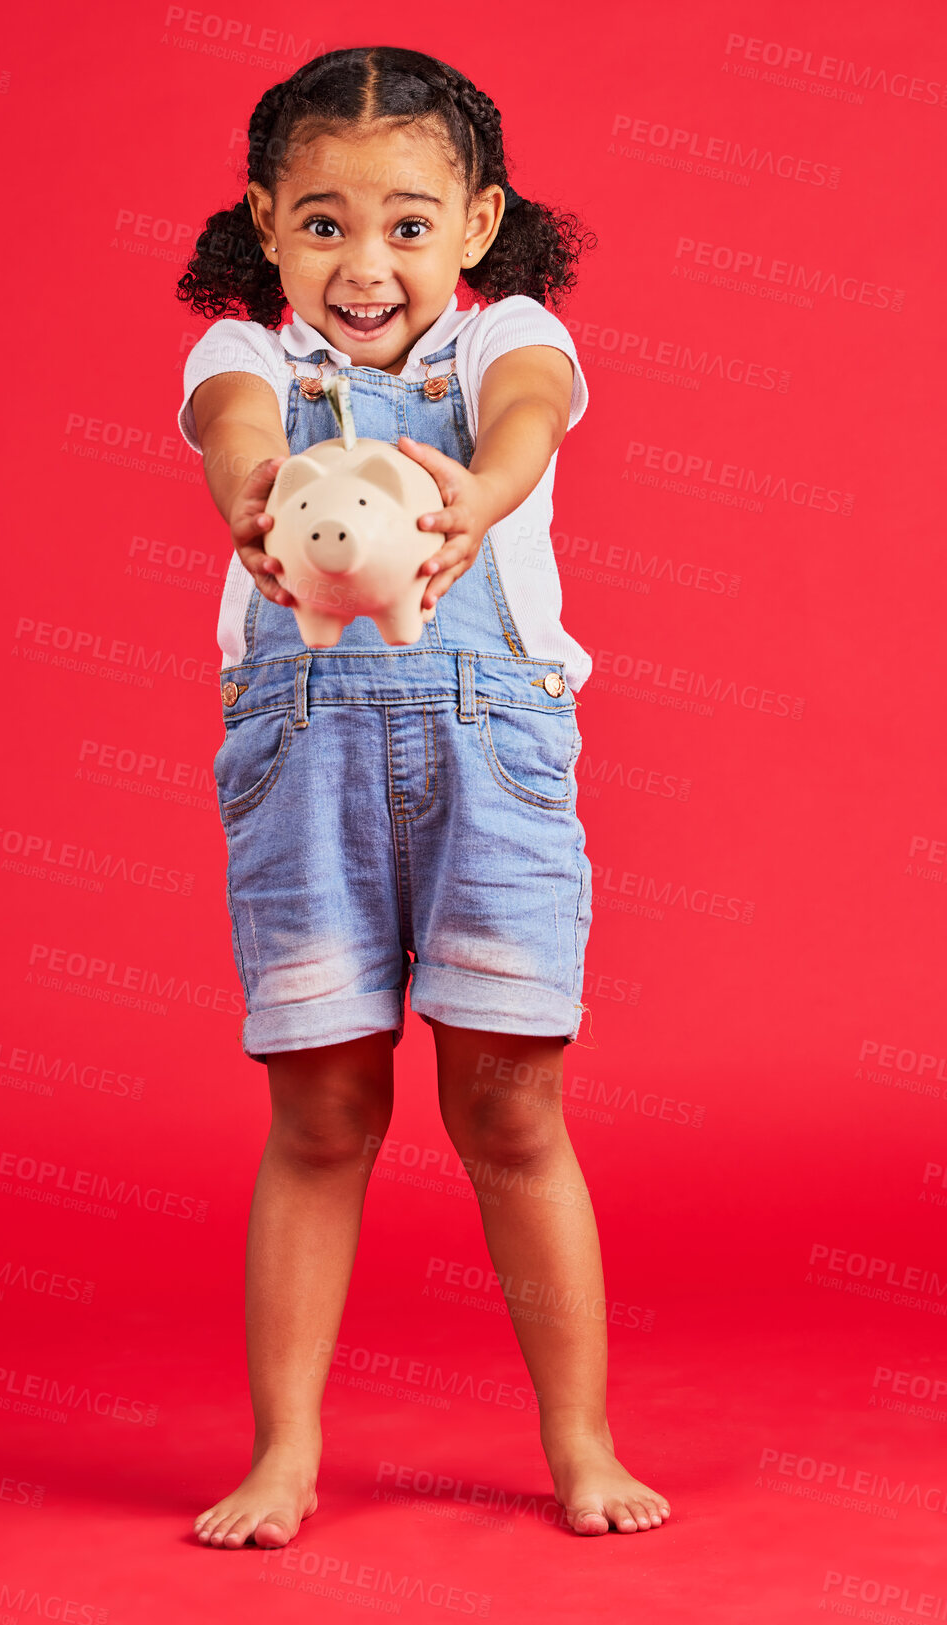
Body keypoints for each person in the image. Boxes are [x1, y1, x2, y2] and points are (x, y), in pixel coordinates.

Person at [175, 45, 670, 1547]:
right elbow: (234, 442)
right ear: (266, 224)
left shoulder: (507, 336)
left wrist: (477, 492)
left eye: (407, 221)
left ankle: (581, 1442)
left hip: (494, 753)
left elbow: (527, 409)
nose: (365, 260)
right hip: (303, 754)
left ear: (476, 222)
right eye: (322, 222)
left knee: (511, 1107)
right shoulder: (245, 360)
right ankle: (286, 1453)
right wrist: (261, 502)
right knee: (321, 1112)